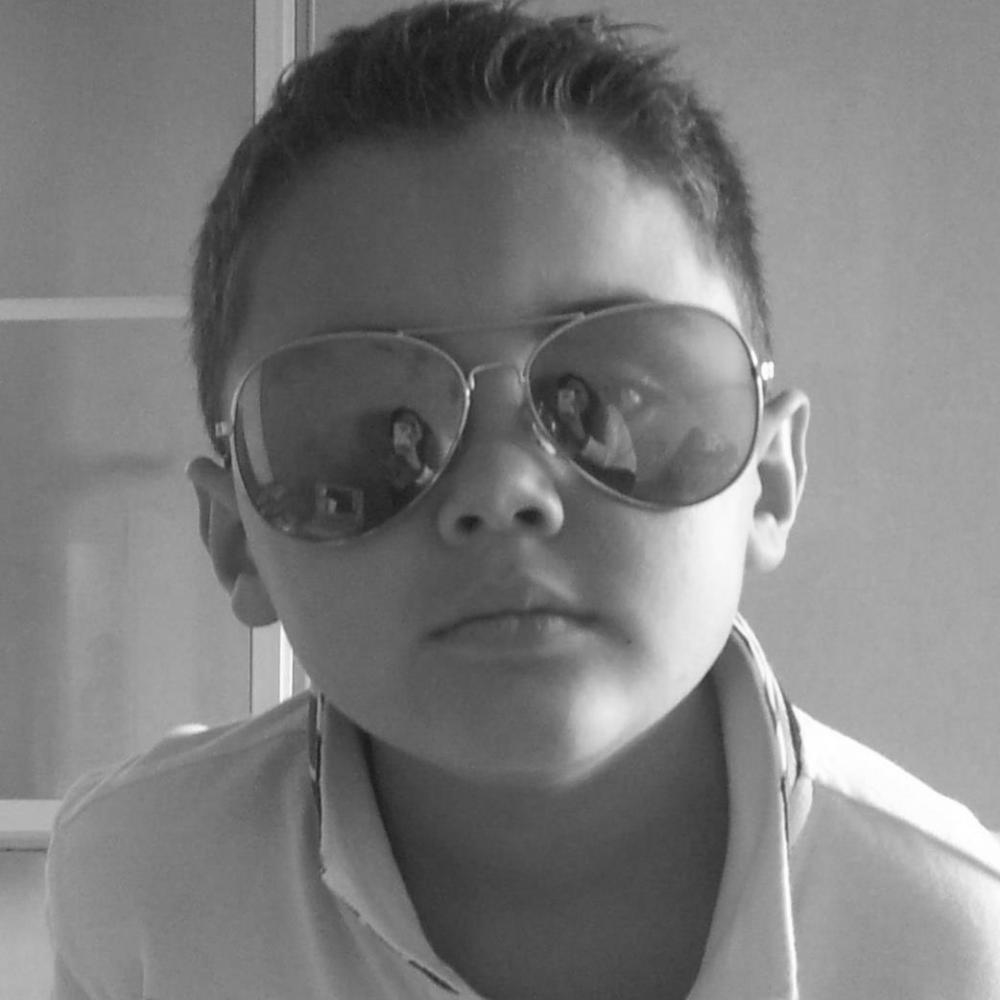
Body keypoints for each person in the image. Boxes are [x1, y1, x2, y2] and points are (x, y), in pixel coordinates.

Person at [46, 3, 1000, 998]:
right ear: (236, 539)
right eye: (372, 435)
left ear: (767, 478)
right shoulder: (144, 884)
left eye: (612, 398)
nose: (501, 490)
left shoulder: (951, 945)